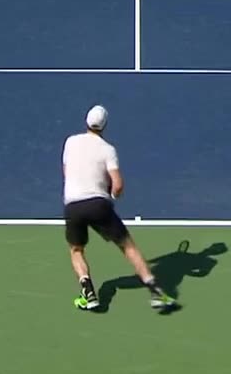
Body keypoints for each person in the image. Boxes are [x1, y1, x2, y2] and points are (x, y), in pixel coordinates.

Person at [63, 105, 176, 312]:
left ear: (86, 122)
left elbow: (67, 172)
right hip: (99, 205)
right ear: (104, 126)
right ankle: (155, 292)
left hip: (73, 205)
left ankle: (88, 292)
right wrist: (111, 195)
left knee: (76, 250)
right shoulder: (108, 150)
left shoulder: (70, 142)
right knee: (127, 246)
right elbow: (118, 185)